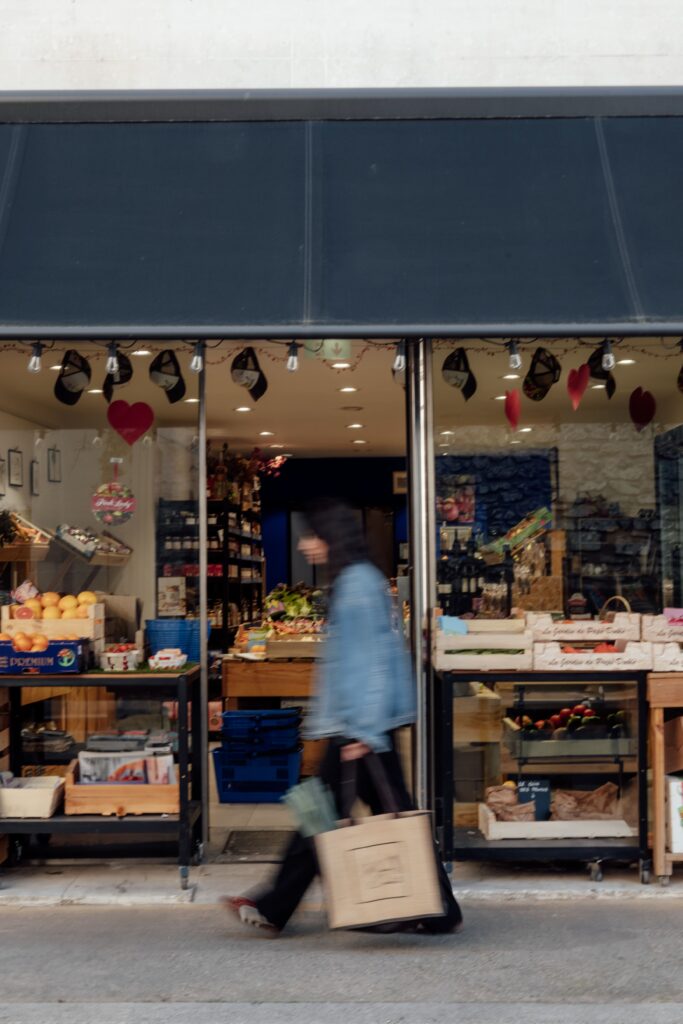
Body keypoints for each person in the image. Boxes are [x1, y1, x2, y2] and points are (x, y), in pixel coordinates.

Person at [225, 498, 462, 936]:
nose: (305, 545)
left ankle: (278, 906)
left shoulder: (355, 586)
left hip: (359, 727)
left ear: (331, 539)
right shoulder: (362, 580)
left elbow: (370, 664)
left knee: (337, 815)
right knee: (349, 814)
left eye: (312, 537)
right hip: (360, 725)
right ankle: (438, 909)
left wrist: (362, 732)